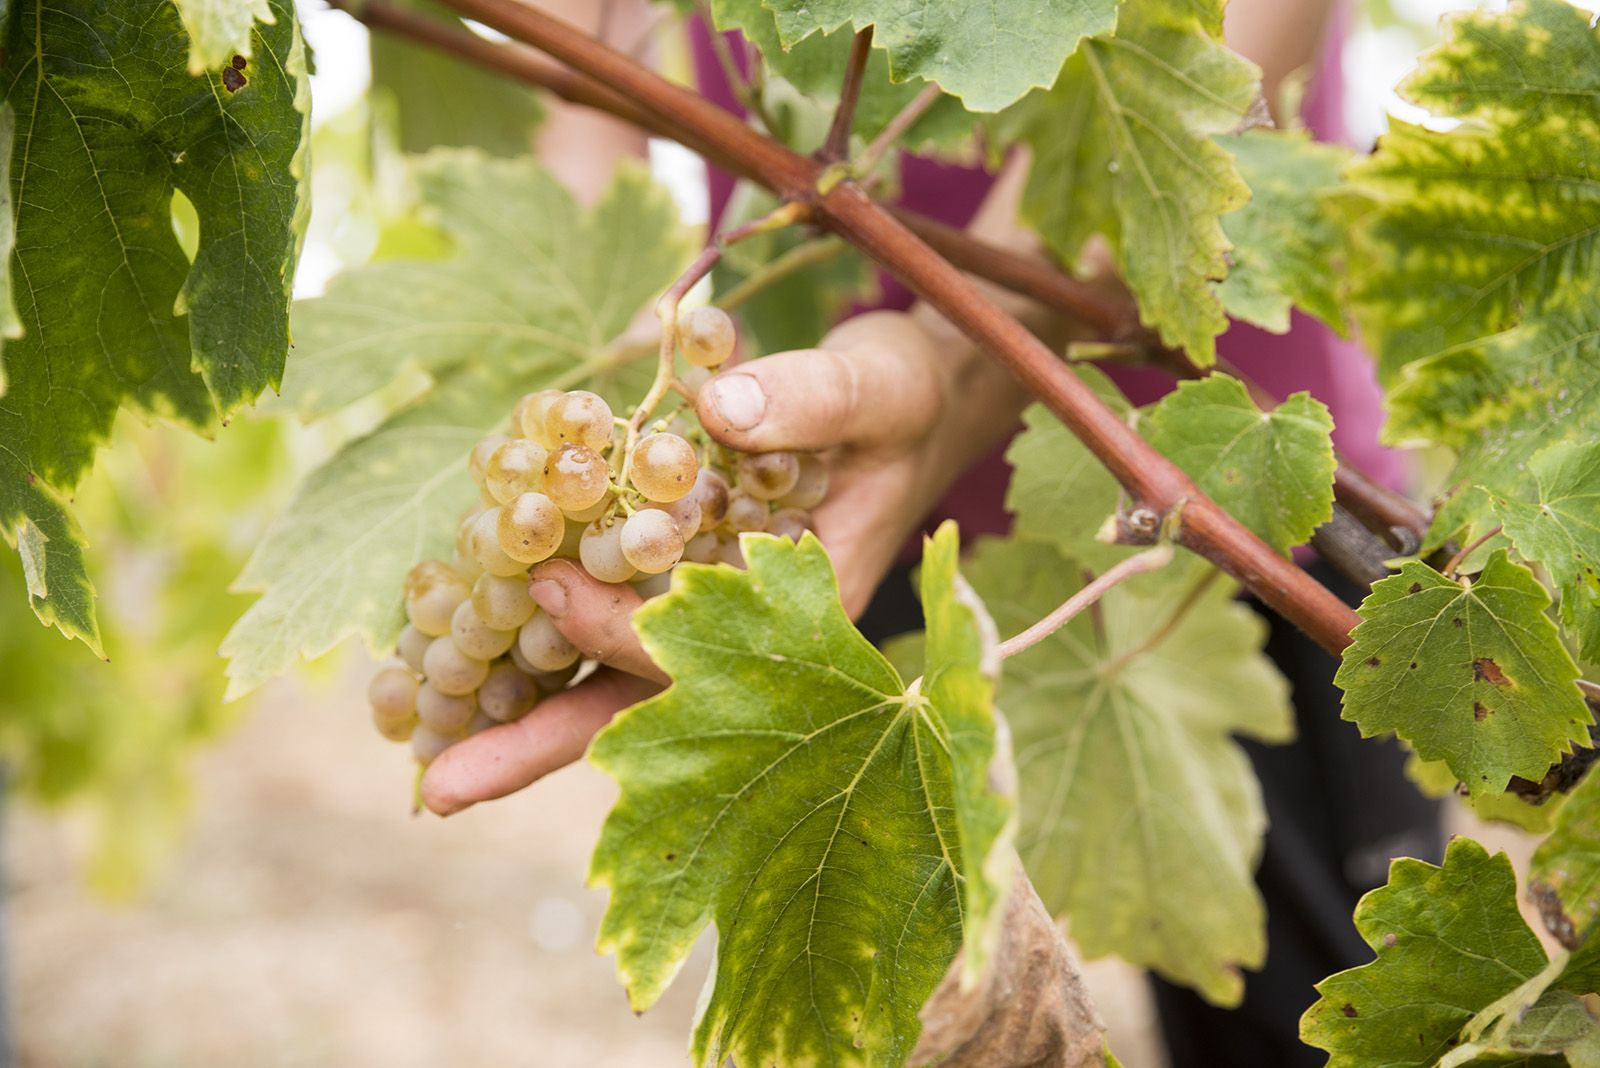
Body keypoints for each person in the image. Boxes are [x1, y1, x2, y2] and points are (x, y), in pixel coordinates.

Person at [419, 2, 1443, 1063]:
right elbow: (580, 45)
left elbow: (1229, 34)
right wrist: (634, 382)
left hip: (1232, 486)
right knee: (924, 1018)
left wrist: (949, 363)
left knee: (1315, 1033)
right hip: (858, 511)